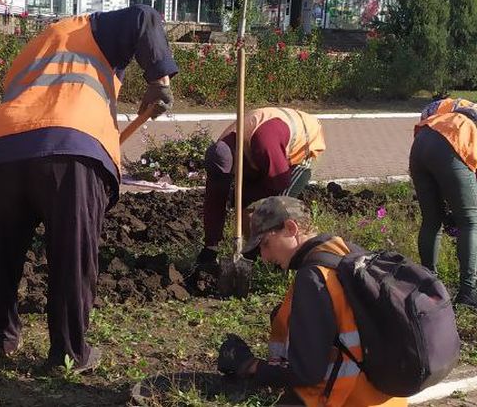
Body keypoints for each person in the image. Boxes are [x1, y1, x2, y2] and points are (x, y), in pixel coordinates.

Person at [0, 4, 178, 372]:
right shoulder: (88, 27)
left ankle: (1, 340)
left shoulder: (33, 49)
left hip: (3, 148)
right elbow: (143, 18)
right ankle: (69, 354)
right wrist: (158, 81)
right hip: (70, 147)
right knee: (73, 252)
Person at [216, 196, 406, 407]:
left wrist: (252, 367)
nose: (265, 257)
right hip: (389, 398)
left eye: (266, 244)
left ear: (291, 228)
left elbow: (307, 374)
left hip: (346, 399)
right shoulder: (344, 251)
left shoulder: (313, 278)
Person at [194, 107, 326, 273]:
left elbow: (278, 182)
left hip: (298, 150)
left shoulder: (264, 141)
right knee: (244, 206)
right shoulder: (219, 152)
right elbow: (215, 201)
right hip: (255, 156)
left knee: (277, 210)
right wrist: (210, 246)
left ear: (236, 160)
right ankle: (256, 255)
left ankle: (287, 260)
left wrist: (251, 205)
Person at [411, 97, 477, 306]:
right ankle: (468, 292)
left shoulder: (455, 106)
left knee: (431, 220)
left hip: (420, 143)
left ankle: (428, 284)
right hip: (452, 142)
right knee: (470, 222)